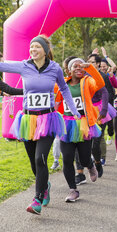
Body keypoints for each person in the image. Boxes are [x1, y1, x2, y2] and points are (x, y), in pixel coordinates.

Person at [0, 35, 80, 214]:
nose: (33, 50)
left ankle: (37, 199)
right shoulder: (24, 66)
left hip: (48, 119)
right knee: (33, 163)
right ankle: (45, 186)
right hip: (28, 120)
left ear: (45, 50)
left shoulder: (55, 68)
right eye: (31, 47)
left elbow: (65, 88)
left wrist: (73, 109)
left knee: (40, 158)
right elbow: (2, 65)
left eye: (37, 47)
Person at [56, 58, 105, 202]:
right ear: (69, 70)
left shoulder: (87, 81)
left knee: (83, 158)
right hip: (66, 124)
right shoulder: (62, 84)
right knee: (67, 159)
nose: (78, 69)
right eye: (75, 66)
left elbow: (100, 83)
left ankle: (90, 165)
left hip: (84, 123)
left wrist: (89, 67)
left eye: (81, 66)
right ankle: (73, 190)